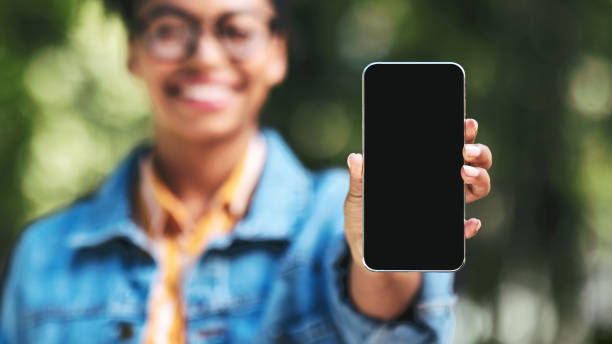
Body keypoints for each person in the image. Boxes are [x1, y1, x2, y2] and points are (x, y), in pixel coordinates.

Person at [0, 0, 492, 342]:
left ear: (277, 52)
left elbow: (384, 319)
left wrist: (385, 254)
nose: (205, 56)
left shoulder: (332, 222)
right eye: (170, 29)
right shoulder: (45, 255)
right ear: (133, 50)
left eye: (235, 30)